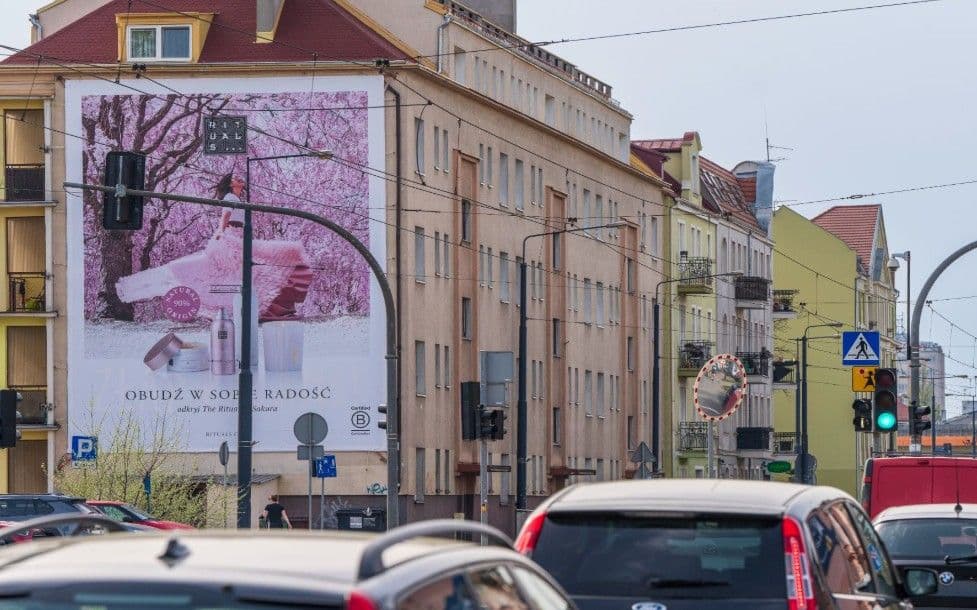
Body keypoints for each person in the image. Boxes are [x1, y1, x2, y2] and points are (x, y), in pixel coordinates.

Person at [214, 173, 246, 239]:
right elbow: (226, 214)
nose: (239, 178)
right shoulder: (230, 197)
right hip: (231, 234)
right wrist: (221, 232)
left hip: (236, 233)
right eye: (235, 178)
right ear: (230, 184)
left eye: (239, 177)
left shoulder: (236, 198)